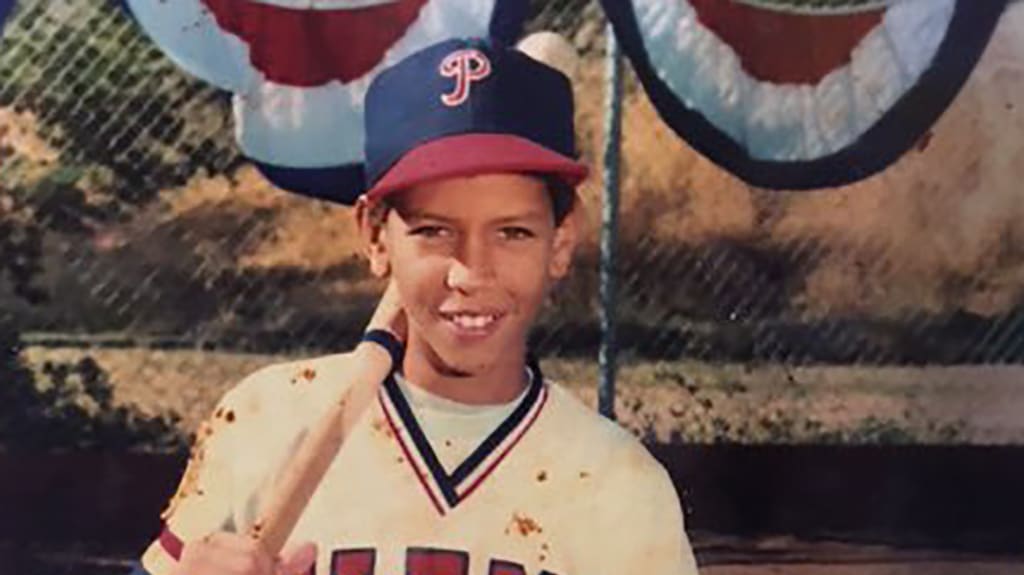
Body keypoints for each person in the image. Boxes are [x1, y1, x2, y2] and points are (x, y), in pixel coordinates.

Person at [134, 36, 700, 575]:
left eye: (513, 233)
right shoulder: (266, 419)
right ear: (376, 236)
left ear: (562, 241)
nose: (471, 272)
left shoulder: (614, 481)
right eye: (433, 230)